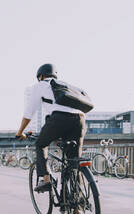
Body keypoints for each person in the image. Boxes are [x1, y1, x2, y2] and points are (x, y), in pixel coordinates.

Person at [16, 63, 86, 192]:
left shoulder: (40, 85)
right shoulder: (67, 85)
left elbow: (28, 113)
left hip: (58, 119)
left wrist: (20, 132)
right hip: (80, 119)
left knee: (41, 145)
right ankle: (77, 205)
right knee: (74, 162)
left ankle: (46, 180)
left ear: (41, 76)